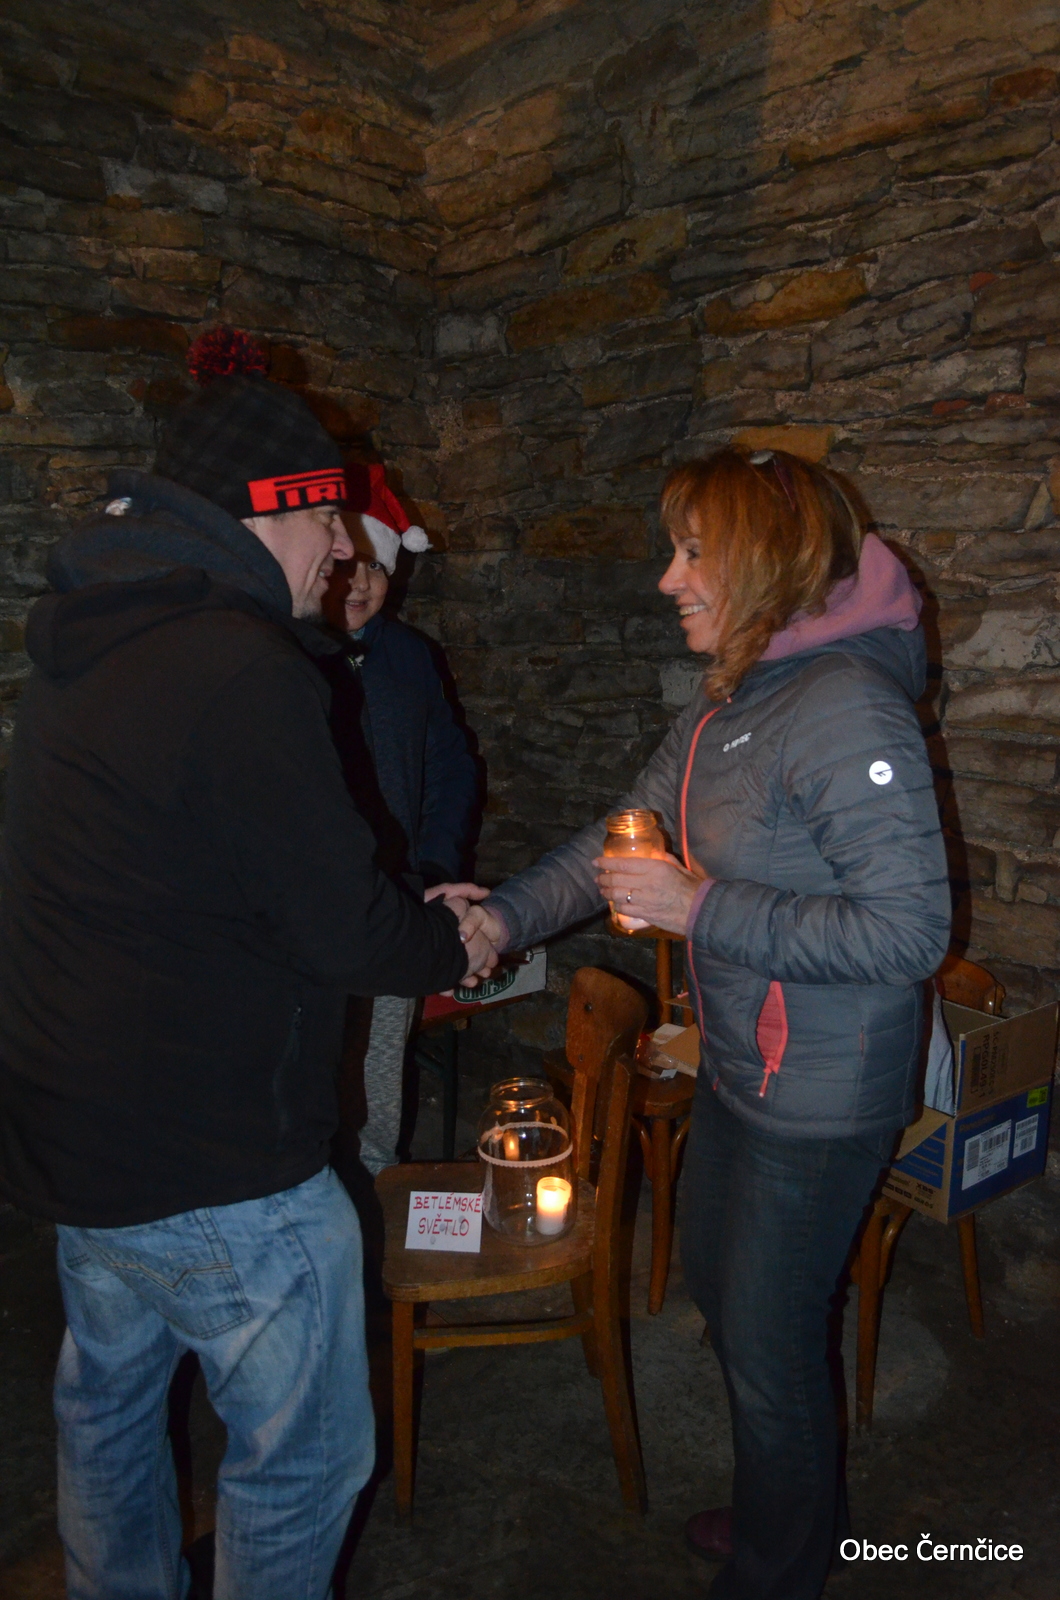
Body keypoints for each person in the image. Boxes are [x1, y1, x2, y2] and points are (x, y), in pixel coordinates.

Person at [0, 327, 496, 1600]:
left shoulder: (88, 642)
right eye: (327, 516)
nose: (342, 546)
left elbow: (205, 879)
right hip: (217, 1166)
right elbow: (337, 929)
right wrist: (451, 936)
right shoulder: (236, 663)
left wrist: (385, 903)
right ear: (269, 509)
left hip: (83, 1145)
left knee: (108, 1415)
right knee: (304, 1461)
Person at [447, 448, 951, 1600]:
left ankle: (783, 1569)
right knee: (729, 1305)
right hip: (740, 1071)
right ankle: (789, 1511)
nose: (666, 578)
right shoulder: (735, 702)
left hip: (819, 1098)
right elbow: (617, 832)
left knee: (772, 1348)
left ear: (765, 562)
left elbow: (906, 932)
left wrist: (700, 907)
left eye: (691, 552)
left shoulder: (844, 705)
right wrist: (502, 920)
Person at [323, 463, 479, 1178]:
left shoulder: (412, 658)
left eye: (375, 567)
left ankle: (376, 1197)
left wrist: (437, 868)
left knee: (380, 1074)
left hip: (400, 901)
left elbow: (451, 767)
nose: (358, 583)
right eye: (344, 565)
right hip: (318, 912)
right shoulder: (283, 659)